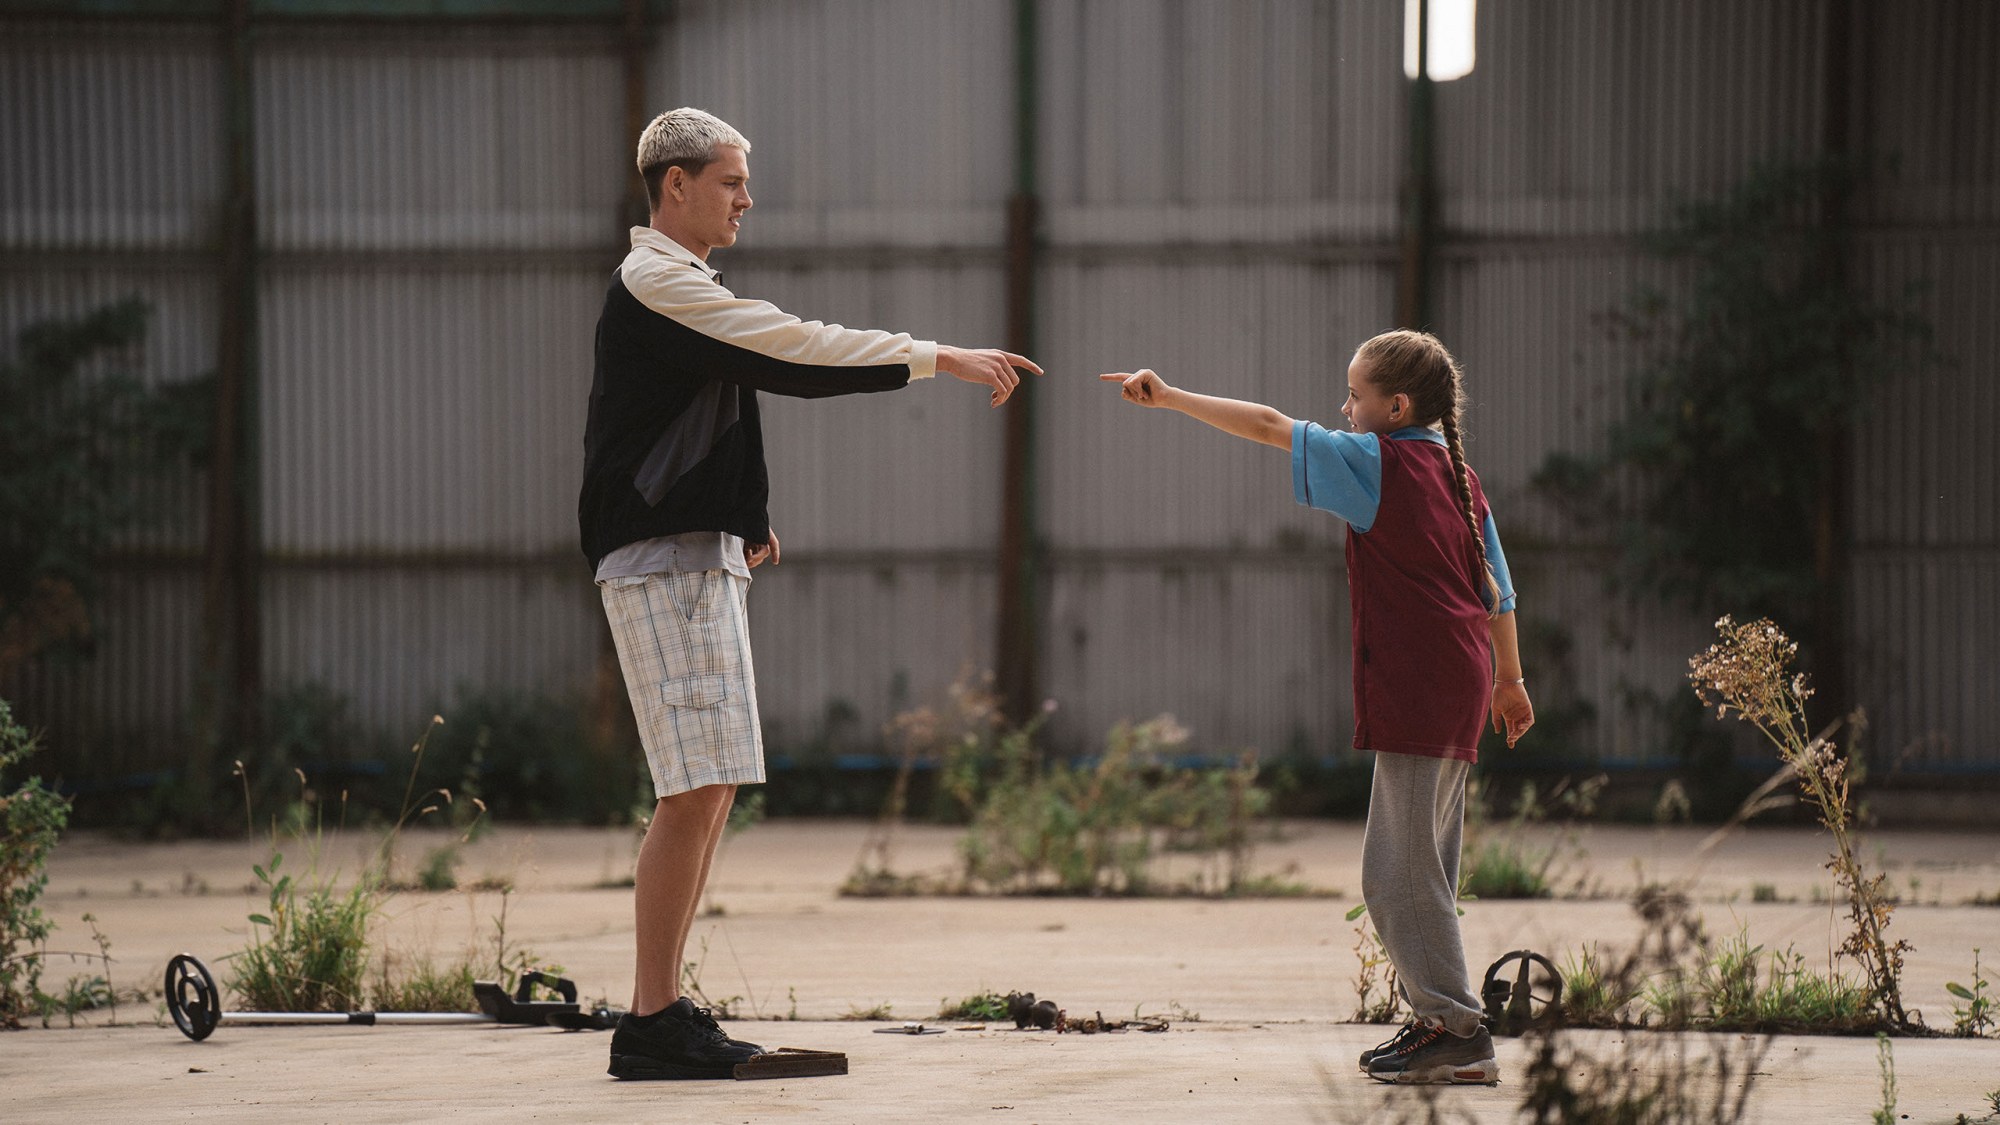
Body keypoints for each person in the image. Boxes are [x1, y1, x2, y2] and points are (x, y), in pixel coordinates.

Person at [581, 107, 1040, 1081]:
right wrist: (934, 356)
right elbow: (786, 351)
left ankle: (662, 1011)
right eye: (730, 180)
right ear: (675, 186)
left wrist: (740, 513)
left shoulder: (682, 287)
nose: (748, 198)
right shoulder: (656, 282)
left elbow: (700, 411)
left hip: (694, 552)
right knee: (690, 787)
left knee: (711, 787)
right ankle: (651, 1017)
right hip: (660, 560)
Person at [1098, 329, 1534, 1086]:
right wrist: (1511, 679)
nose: (1344, 408)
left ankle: (1458, 1030)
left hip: (1421, 685)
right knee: (1424, 863)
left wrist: (1168, 396)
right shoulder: (1459, 475)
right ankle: (1439, 1020)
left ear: (1395, 406)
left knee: (1395, 874)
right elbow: (1501, 585)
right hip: (1460, 680)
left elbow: (1269, 425)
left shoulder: (1379, 461)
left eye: (1355, 397)